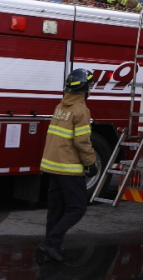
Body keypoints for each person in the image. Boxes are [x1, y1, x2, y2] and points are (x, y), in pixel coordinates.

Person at [37, 68, 97, 264]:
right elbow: (82, 142)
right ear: (85, 88)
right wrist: (91, 163)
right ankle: (51, 243)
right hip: (69, 169)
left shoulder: (60, 107)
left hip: (51, 168)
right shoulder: (81, 111)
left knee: (55, 210)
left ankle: (51, 245)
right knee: (77, 209)